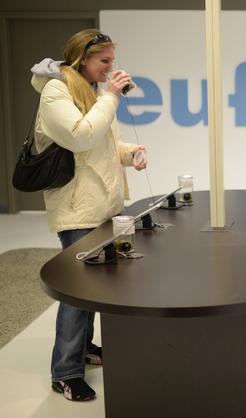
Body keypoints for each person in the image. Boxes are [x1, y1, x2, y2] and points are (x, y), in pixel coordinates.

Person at [30, 28, 147, 401]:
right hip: (78, 208)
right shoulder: (56, 92)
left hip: (104, 204)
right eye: (105, 62)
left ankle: (84, 348)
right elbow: (80, 137)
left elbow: (101, 142)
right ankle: (65, 371)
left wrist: (130, 153)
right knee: (78, 292)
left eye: (113, 61)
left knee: (96, 286)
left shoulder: (93, 92)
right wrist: (112, 95)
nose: (112, 68)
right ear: (82, 59)